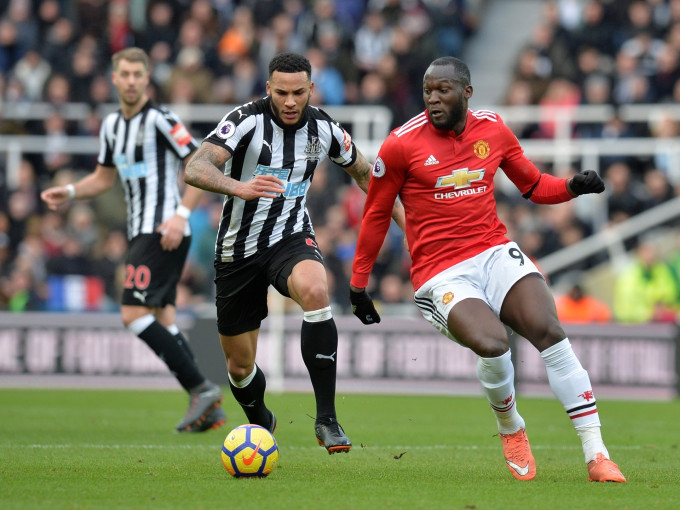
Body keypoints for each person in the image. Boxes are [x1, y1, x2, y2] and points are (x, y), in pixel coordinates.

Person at [349, 56, 626, 482]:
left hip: (494, 251)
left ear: (466, 92)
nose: (433, 100)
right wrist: (358, 284)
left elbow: (533, 185)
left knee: (550, 332)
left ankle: (597, 454)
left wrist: (572, 186)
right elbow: (376, 215)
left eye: (443, 90)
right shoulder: (401, 144)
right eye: (427, 91)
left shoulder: (493, 128)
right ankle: (511, 426)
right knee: (494, 344)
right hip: (441, 272)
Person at [183, 52, 404, 454]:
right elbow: (195, 168)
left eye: (298, 92)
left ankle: (327, 420)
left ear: (310, 90)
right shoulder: (246, 121)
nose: (289, 101)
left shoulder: (323, 128)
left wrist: (412, 228)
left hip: (290, 237)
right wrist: (240, 187)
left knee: (317, 292)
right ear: (268, 88)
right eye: (281, 92)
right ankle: (260, 421)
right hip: (237, 250)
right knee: (239, 365)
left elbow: (363, 173)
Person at [40, 47, 225, 433]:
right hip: (142, 231)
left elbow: (201, 166)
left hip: (162, 230)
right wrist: (70, 191)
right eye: (123, 74)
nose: (130, 81)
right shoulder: (111, 126)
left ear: (146, 78)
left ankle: (202, 388)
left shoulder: (161, 119)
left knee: (131, 313)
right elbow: (104, 178)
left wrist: (180, 215)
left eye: (136, 75)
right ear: (113, 78)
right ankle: (206, 404)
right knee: (162, 318)